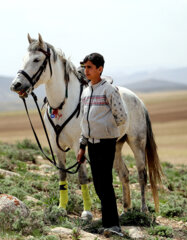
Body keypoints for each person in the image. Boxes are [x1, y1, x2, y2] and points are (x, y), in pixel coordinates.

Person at [76, 53, 127, 237]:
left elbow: (122, 117)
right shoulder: (86, 91)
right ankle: (108, 223)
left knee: (105, 184)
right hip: (91, 144)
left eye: (90, 67)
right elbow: (84, 121)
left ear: (100, 69)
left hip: (106, 143)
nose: (86, 70)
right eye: (85, 67)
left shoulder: (109, 90)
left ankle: (114, 226)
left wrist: (106, 129)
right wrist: (82, 146)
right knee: (98, 185)